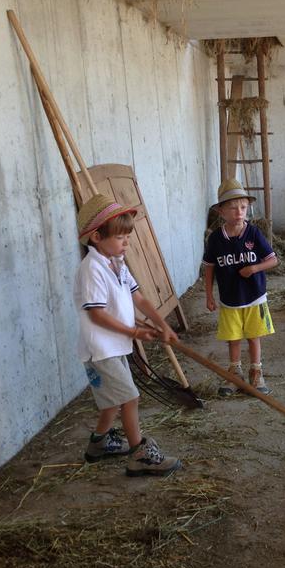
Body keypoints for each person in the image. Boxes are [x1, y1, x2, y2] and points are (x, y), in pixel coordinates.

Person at [74, 193, 182, 476]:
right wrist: (135, 331)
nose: (127, 243)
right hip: (100, 349)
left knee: (112, 400)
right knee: (129, 397)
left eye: (127, 237)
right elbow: (97, 314)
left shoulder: (117, 263)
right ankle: (139, 455)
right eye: (121, 237)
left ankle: (98, 444)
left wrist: (163, 324)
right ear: (97, 237)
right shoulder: (92, 269)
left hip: (114, 346)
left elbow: (140, 299)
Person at [202, 178, 278, 396]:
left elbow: (273, 260)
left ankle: (256, 372)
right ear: (221, 211)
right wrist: (209, 295)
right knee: (233, 337)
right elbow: (209, 268)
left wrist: (254, 268)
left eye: (243, 207)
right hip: (229, 298)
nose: (239, 212)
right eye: (233, 208)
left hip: (255, 296)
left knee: (254, 336)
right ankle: (235, 373)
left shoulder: (253, 233)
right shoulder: (216, 239)